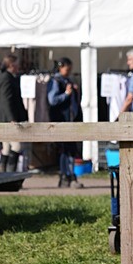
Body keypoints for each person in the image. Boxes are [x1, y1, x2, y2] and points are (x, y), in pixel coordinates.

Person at [47, 57, 83, 187]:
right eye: (67, 69)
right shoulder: (55, 81)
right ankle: (66, 176)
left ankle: (69, 175)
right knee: (64, 149)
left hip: (70, 119)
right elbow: (52, 100)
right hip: (62, 119)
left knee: (70, 148)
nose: (69, 71)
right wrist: (67, 94)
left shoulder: (66, 80)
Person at [0, 52, 28, 172]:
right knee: (17, 146)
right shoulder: (5, 78)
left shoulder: (11, 77)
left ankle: (2, 172)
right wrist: (11, 118)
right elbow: (6, 100)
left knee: (7, 147)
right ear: (11, 65)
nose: (19, 67)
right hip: (6, 119)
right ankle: (10, 173)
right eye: (17, 64)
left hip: (9, 117)